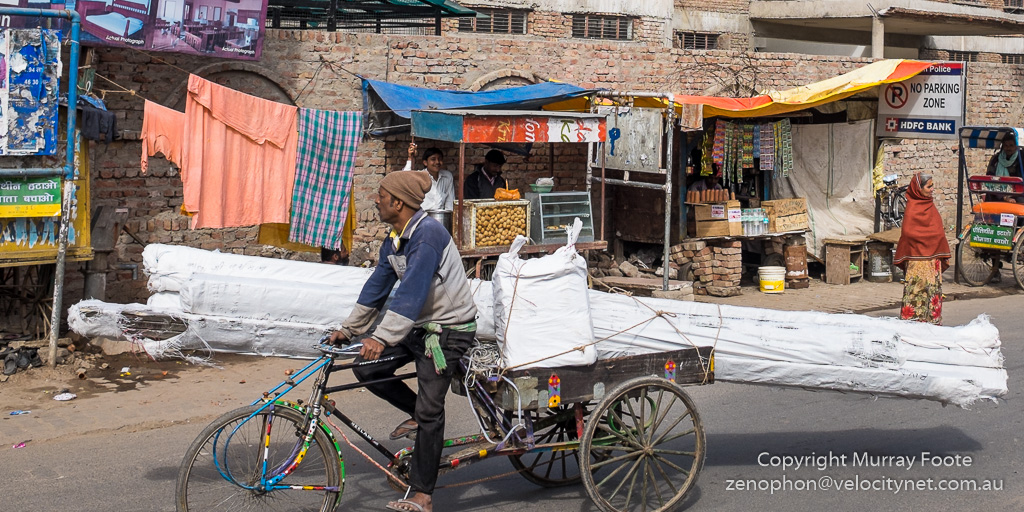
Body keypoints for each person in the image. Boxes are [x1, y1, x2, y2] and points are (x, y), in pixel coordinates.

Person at [329, 170, 477, 512]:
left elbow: (412, 289)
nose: (375, 200)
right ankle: (420, 418)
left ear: (398, 202)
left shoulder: (428, 234)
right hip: (418, 326)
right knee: (366, 368)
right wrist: (349, 329)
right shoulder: (395, 238)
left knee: (430, 408)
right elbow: (377, 288)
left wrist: (381, 336)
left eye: (380, 195)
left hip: (449, 330)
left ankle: (423, 494)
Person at [894, 173, 951, 325]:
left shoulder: (931, 207)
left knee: (932, 293)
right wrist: (928, 240)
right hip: (917, 262)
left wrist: (933, 241)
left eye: (932, 186)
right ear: (919, 189)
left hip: (933, 262)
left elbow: (938, 232)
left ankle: (932, 325)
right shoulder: (912, 208)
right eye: (929, 186)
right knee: (916, 295)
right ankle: (913, 326)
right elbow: (908, 233)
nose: (932, 189)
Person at [403, 142, 454, 212]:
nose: (437, 162)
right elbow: (404, 177)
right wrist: (410, 158)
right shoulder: (420, 176)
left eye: (440, 159)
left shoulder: (447, 176)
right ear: (425, 163)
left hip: (440, 217)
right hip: (422, 217)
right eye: (433, 159)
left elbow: (450, 202)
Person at [985, 135, 1023, 203]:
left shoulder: (1021, 158)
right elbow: (989, 177)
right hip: (997, 193)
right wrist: (1004, 197)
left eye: (1011, 145)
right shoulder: (996, 159)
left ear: (1016, 146)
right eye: (1006, 145)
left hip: (1018, 194)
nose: (1008, 148)